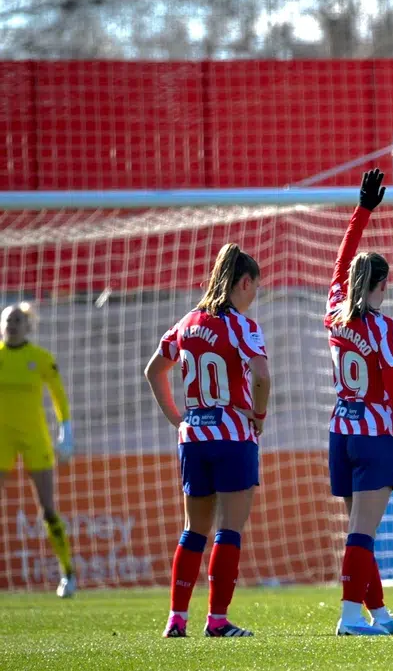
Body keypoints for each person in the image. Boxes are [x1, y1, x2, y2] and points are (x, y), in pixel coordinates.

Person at [325, 168, 393, 636]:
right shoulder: (382, 329)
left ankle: (379, 613)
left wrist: (363, 211)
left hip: (340, 431)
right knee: (362, 532)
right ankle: (351, 617)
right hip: (373, 436)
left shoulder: (334, 312)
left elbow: (340, 266)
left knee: (358, 528)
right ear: (380, 285)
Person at [144, 243, 271, 637]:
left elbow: (153, 370)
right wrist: (260, 416)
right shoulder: (242, 325)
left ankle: (176, 619)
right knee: (228, 529)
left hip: (194, 436)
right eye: (255, 287)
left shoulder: (188, 322)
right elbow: (262, 377)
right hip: (232, 436)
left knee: (192, 530)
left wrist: (177, 418)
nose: (255, 295)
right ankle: (216, 620)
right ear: (244, 281)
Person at [0, 302, 77, 598]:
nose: (12, 324)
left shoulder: (41, 358)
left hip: (35, 438)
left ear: (26, 325)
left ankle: (68, 572)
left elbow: (58, 397)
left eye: (18, 320)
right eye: (8, 320)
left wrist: (65, 430)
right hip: (2, 440)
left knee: (47, 508)